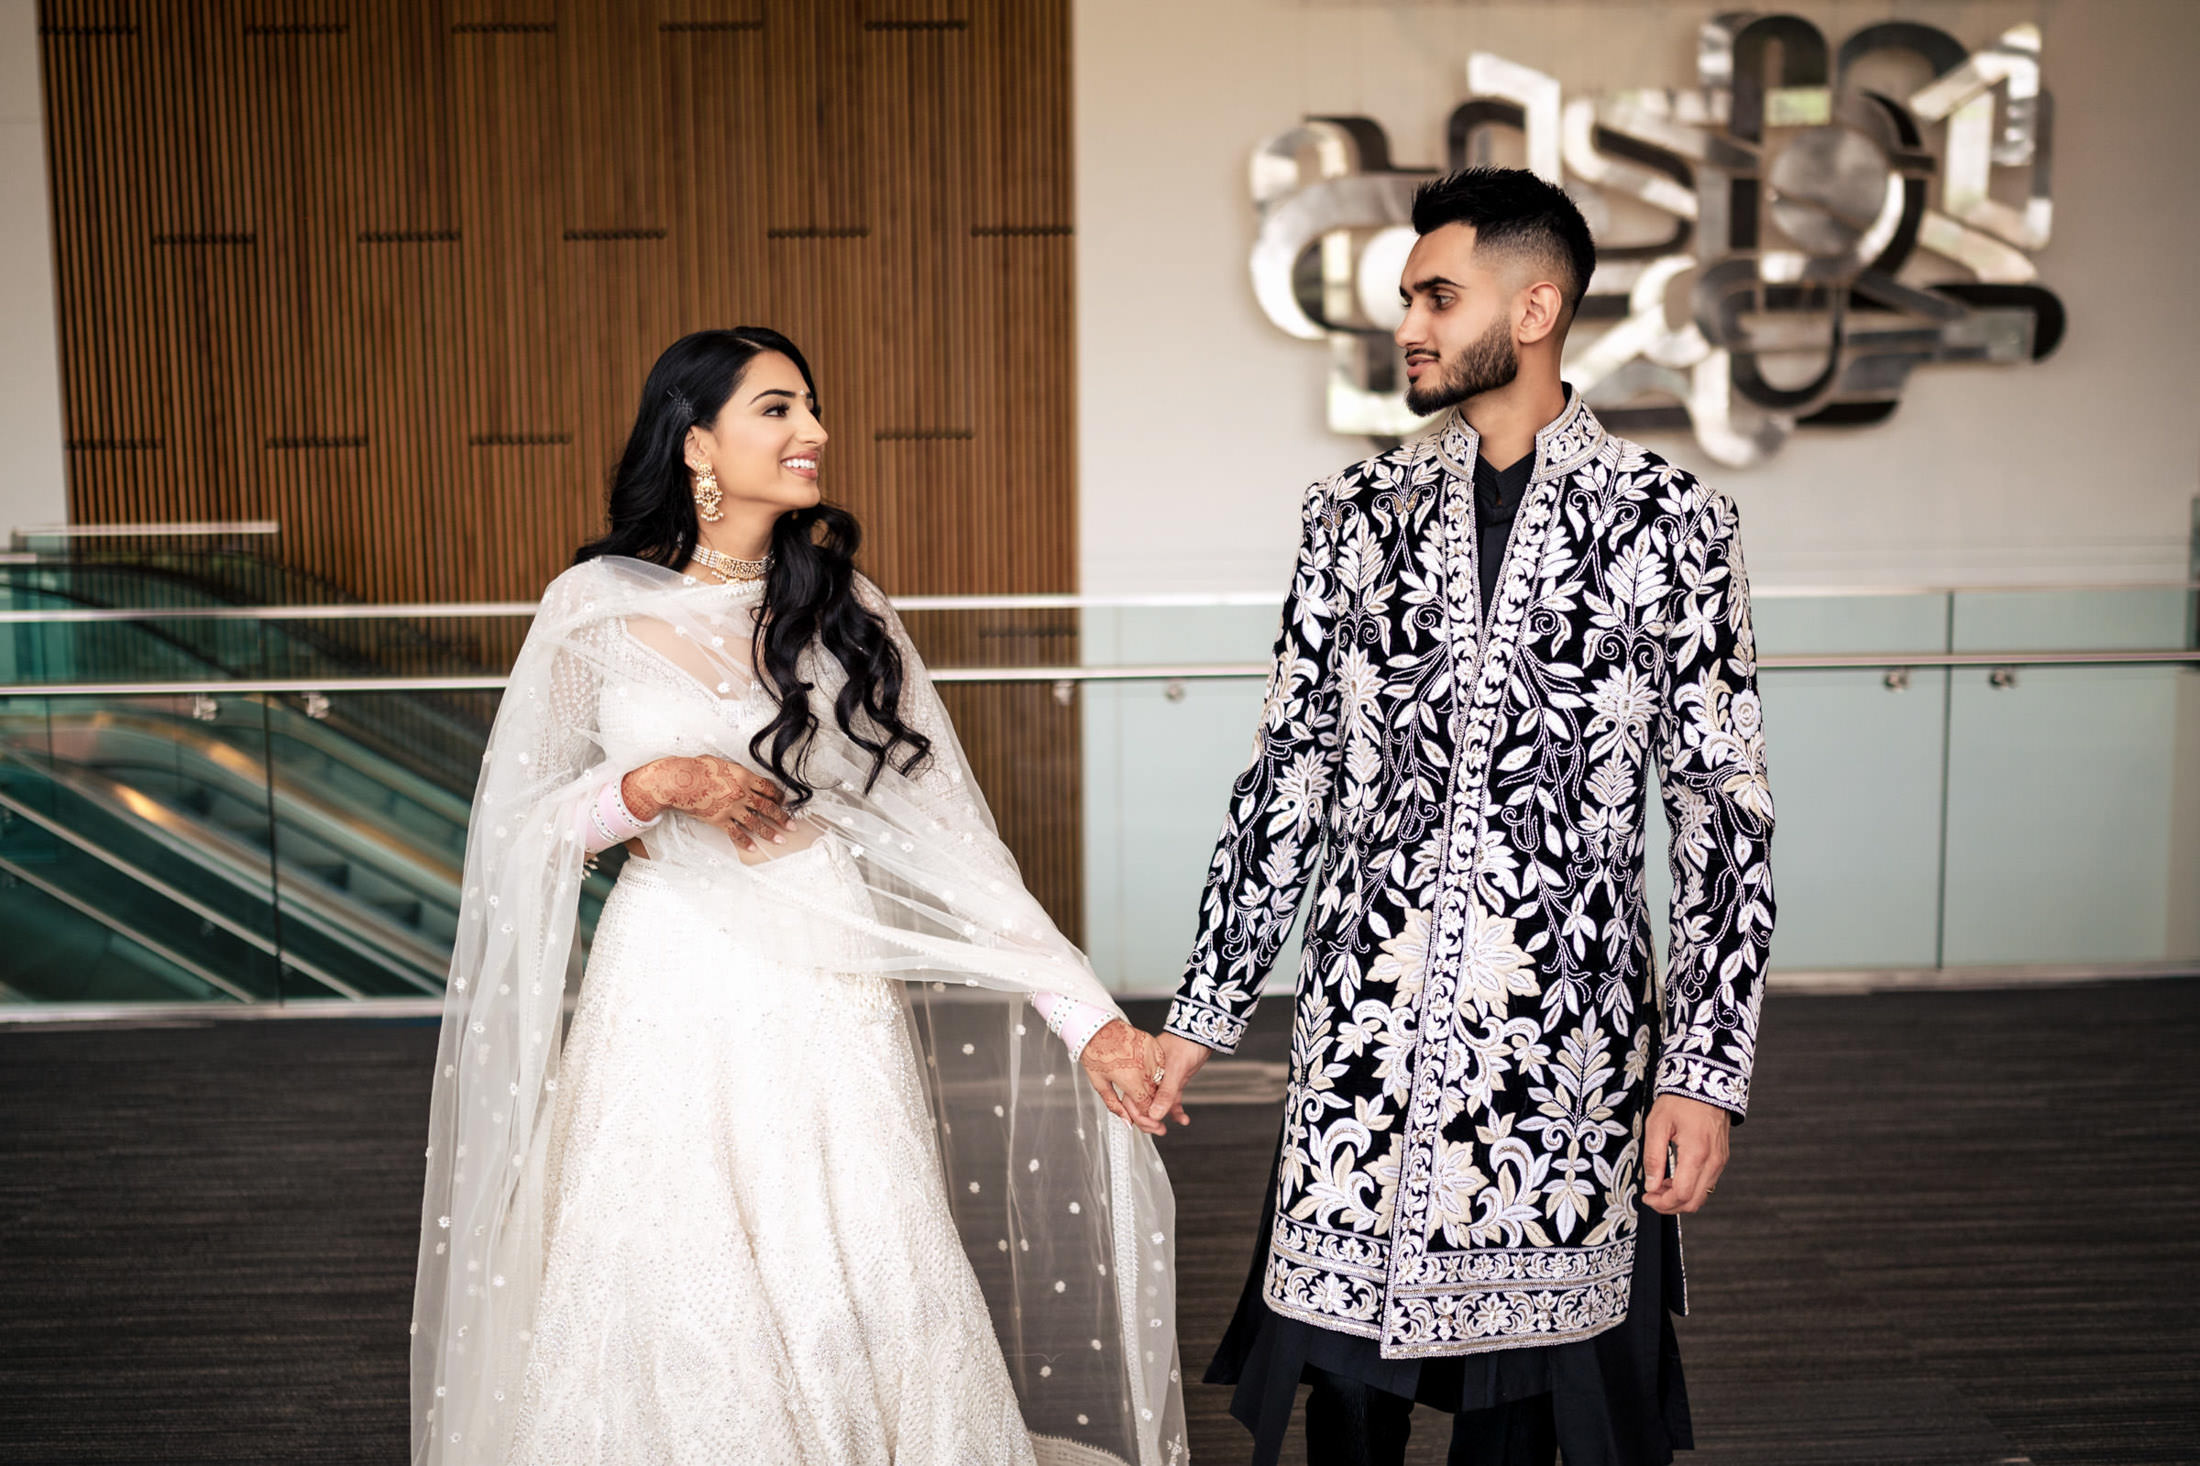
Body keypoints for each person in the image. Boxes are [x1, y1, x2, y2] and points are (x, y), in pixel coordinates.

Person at [409, 327, 1187, 1466]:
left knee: (859, 1242)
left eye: (810, 407)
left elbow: (963, 848)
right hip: (666, 968)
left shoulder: (843, 608)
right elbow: (517, 832)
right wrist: (647, 784)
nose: (813, 431)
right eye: (777, 408)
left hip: (823, 979)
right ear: (696, 443)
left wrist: (1093, 1022)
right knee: (668, 1247)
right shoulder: (591, 606)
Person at [1146, 169, 1776, 1466]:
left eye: (1439, 294)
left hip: (1563, 1055)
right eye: (1406, 299)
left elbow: (1721, 813)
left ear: (1537, 305)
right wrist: (1205, 1011)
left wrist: (1704, 1070)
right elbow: (1289, 776)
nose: (1410, 324)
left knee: (1527, 1412)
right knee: (1348, 1404)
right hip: (1364, 1048)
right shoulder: (1355, 519)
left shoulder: (1671, 525)